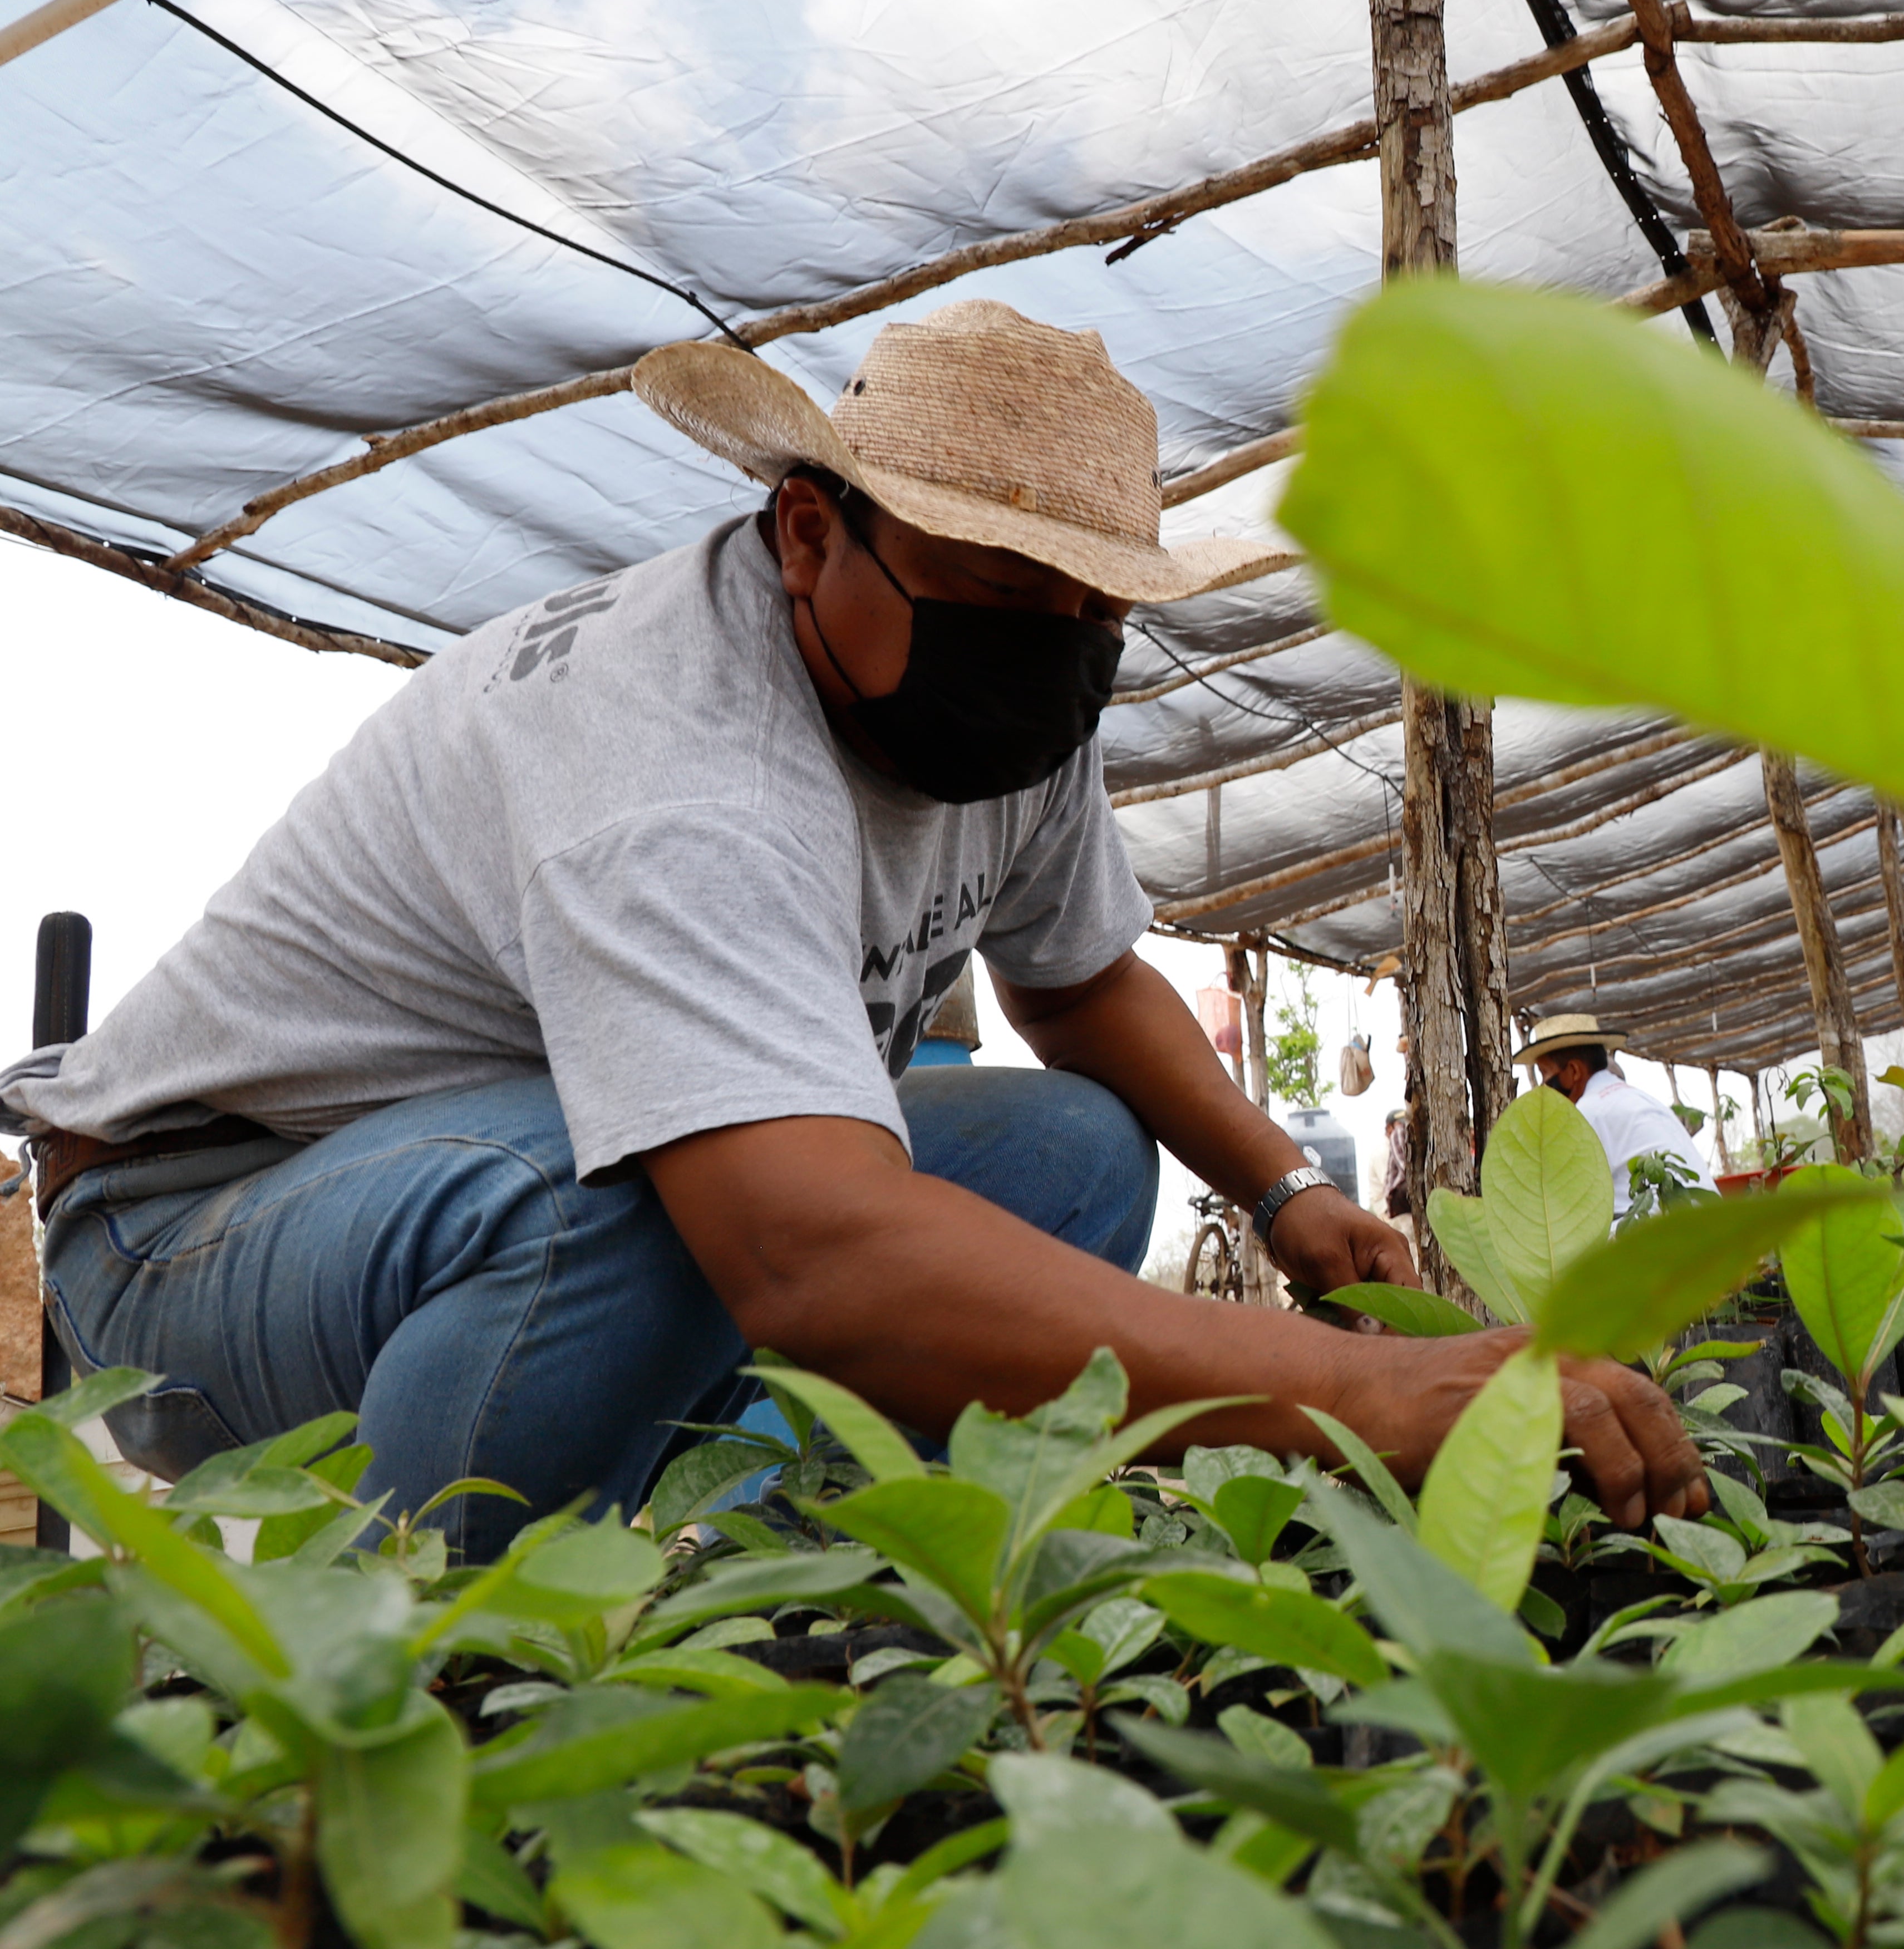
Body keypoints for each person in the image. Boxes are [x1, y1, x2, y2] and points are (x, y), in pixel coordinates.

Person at [0, 301, 1702, 1555]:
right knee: (662, 1202)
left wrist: (1290, 1188)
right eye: (999, 591)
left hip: (491, 1190)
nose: (1051, 650)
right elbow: (802, 1246)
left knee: (1069, 1146)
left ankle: (783, 1560)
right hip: (185, 1239)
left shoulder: (1001, 712)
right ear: (813, 531)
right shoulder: (678, 763)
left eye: (1089, 611)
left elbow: (1086, 978)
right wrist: (1344, 1400)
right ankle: (443, 1647)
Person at [1517, 1014, 1716, 1219]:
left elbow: (1562, 1200)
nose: (1543, 1086)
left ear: (1574, 1071)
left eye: (1545, 1073)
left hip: (1663, 1230)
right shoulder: (1637, 1098)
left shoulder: (1587, 1114)